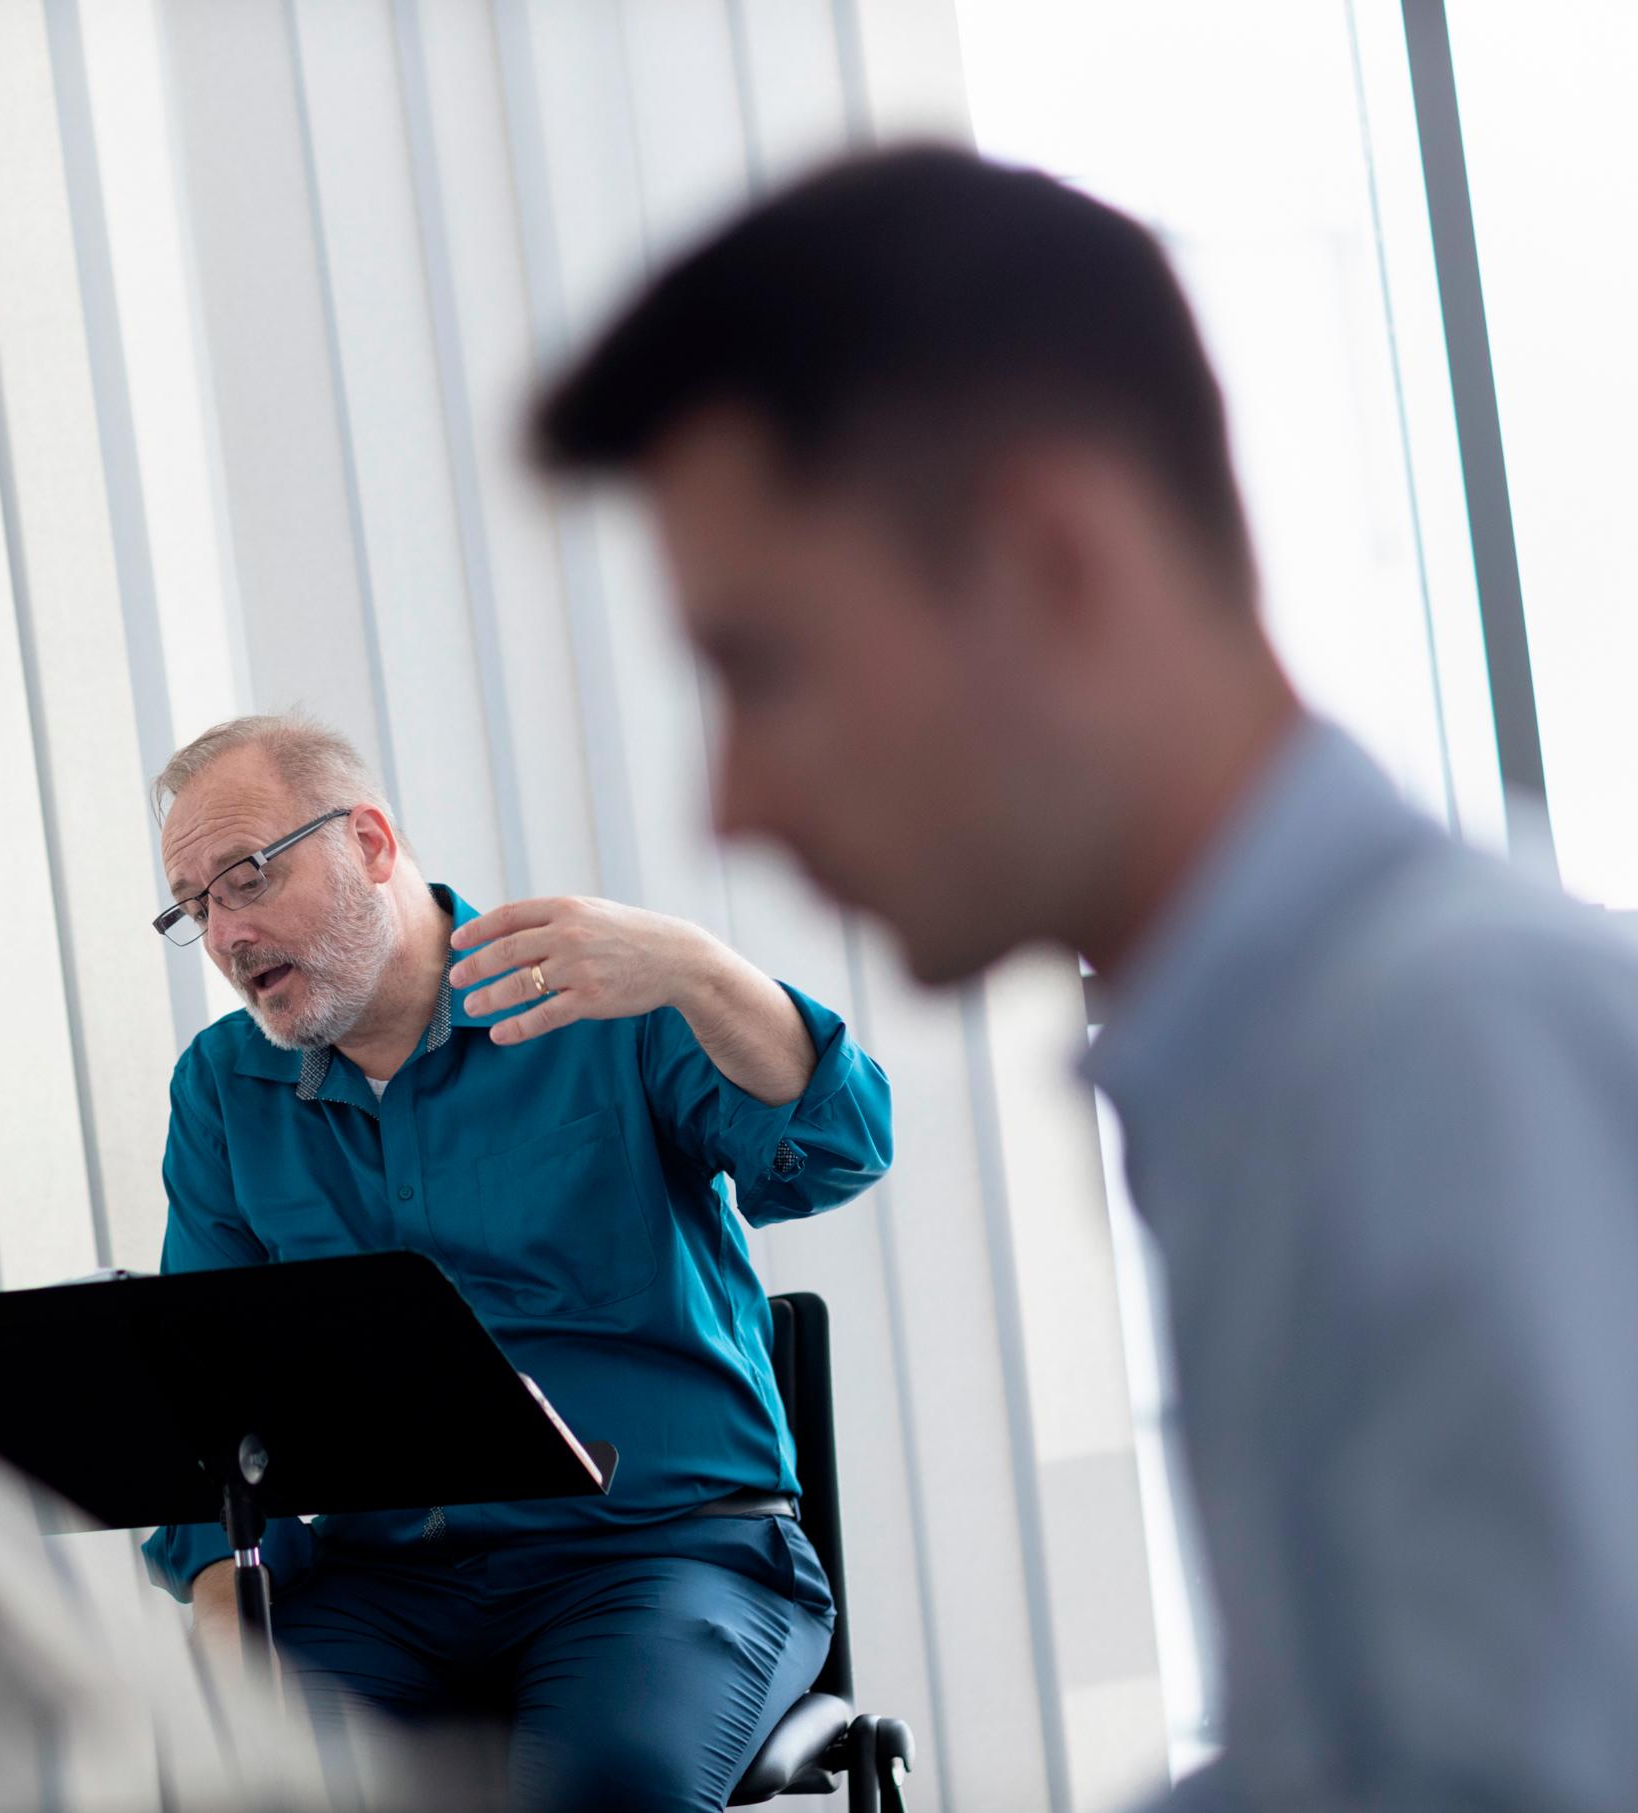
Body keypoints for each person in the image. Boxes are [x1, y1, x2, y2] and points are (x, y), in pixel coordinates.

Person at [534, 144, 1638, 1812]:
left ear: (1057, 562)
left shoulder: (1443, 1053)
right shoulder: (1282, 1068)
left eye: (762, 667)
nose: (728, 799)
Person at [137, 714, 891, 1812]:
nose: (225, 932)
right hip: (382, 1585)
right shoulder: (220, 1088)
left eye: (246, 877)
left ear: (370, 844)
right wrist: (226, 1634)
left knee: (602, 1785)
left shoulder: (599, 993)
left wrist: (690, 968)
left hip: (658, 1555)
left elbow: (833, 1150)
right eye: (195, 904)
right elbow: (202, 1405)